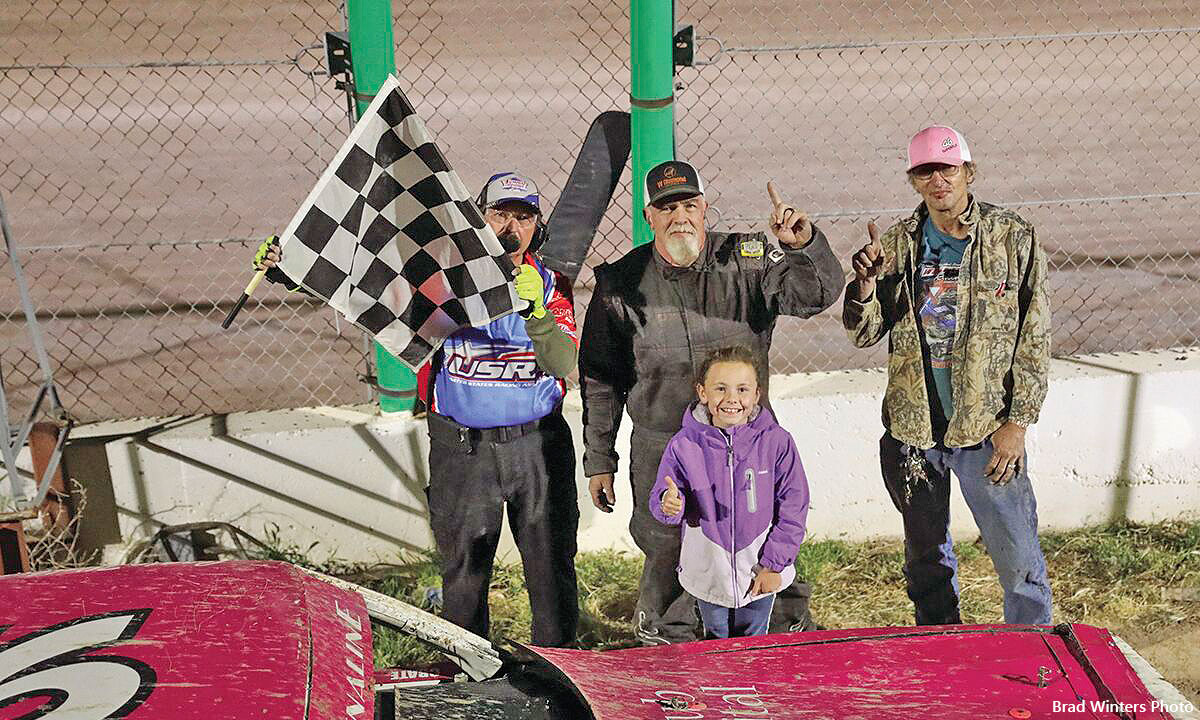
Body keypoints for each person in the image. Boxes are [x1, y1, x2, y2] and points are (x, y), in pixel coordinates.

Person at [256, 171, 580, 647]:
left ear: (537, 226)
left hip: (538, 446)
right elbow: (366, 291)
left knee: (552, 573)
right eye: (499, 215)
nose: (510, 227)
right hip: (463, 451)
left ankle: (562, 675)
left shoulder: (552, 286)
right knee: (463, 577)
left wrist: (536, 314)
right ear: (477, 220)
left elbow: (562, 362)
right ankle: (467, 686)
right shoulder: (439, 279)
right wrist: (292, 268)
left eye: (522, 217)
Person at [579, 159, 843, 644]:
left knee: (761, 538)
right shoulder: (620, 283)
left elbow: (815, 296)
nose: (679, 216)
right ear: (648, 216)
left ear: (704, 208)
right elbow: (600, 379)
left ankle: (783, 641)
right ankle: (667, 644)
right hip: (664, 446)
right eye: (666, 208)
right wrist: (600, 459)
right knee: (667, 547)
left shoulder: (748, 259)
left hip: (751, 443)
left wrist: (803, 245)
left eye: (688, 205)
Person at [842, 125, 1053, 625]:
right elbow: (865, 333)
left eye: (947, 168)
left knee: (1018, 556)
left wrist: (1018, 423)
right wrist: (866, 287)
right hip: (915, 430)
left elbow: (1035, 336)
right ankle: (943, 649)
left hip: (986, 428)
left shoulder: (1011, 238)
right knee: (926, 559)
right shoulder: (897, 243)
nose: (938, 180)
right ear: (914, 181)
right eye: (925, 171)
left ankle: (1031, 656)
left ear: (968, 172)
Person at [649, 345, 810, 639]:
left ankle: (752, 683)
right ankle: (720, 683)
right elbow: (666, 494)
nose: (732, 399)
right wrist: (669, 504)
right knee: (716, 637)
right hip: (709, 567)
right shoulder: (684, 444)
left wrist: (774, 564)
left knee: (754, 636)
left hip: (759, 565)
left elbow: (794, 505)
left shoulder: (777, 442)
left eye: (742, 389)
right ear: (703, 393)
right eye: (720, 388)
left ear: (757, 395)